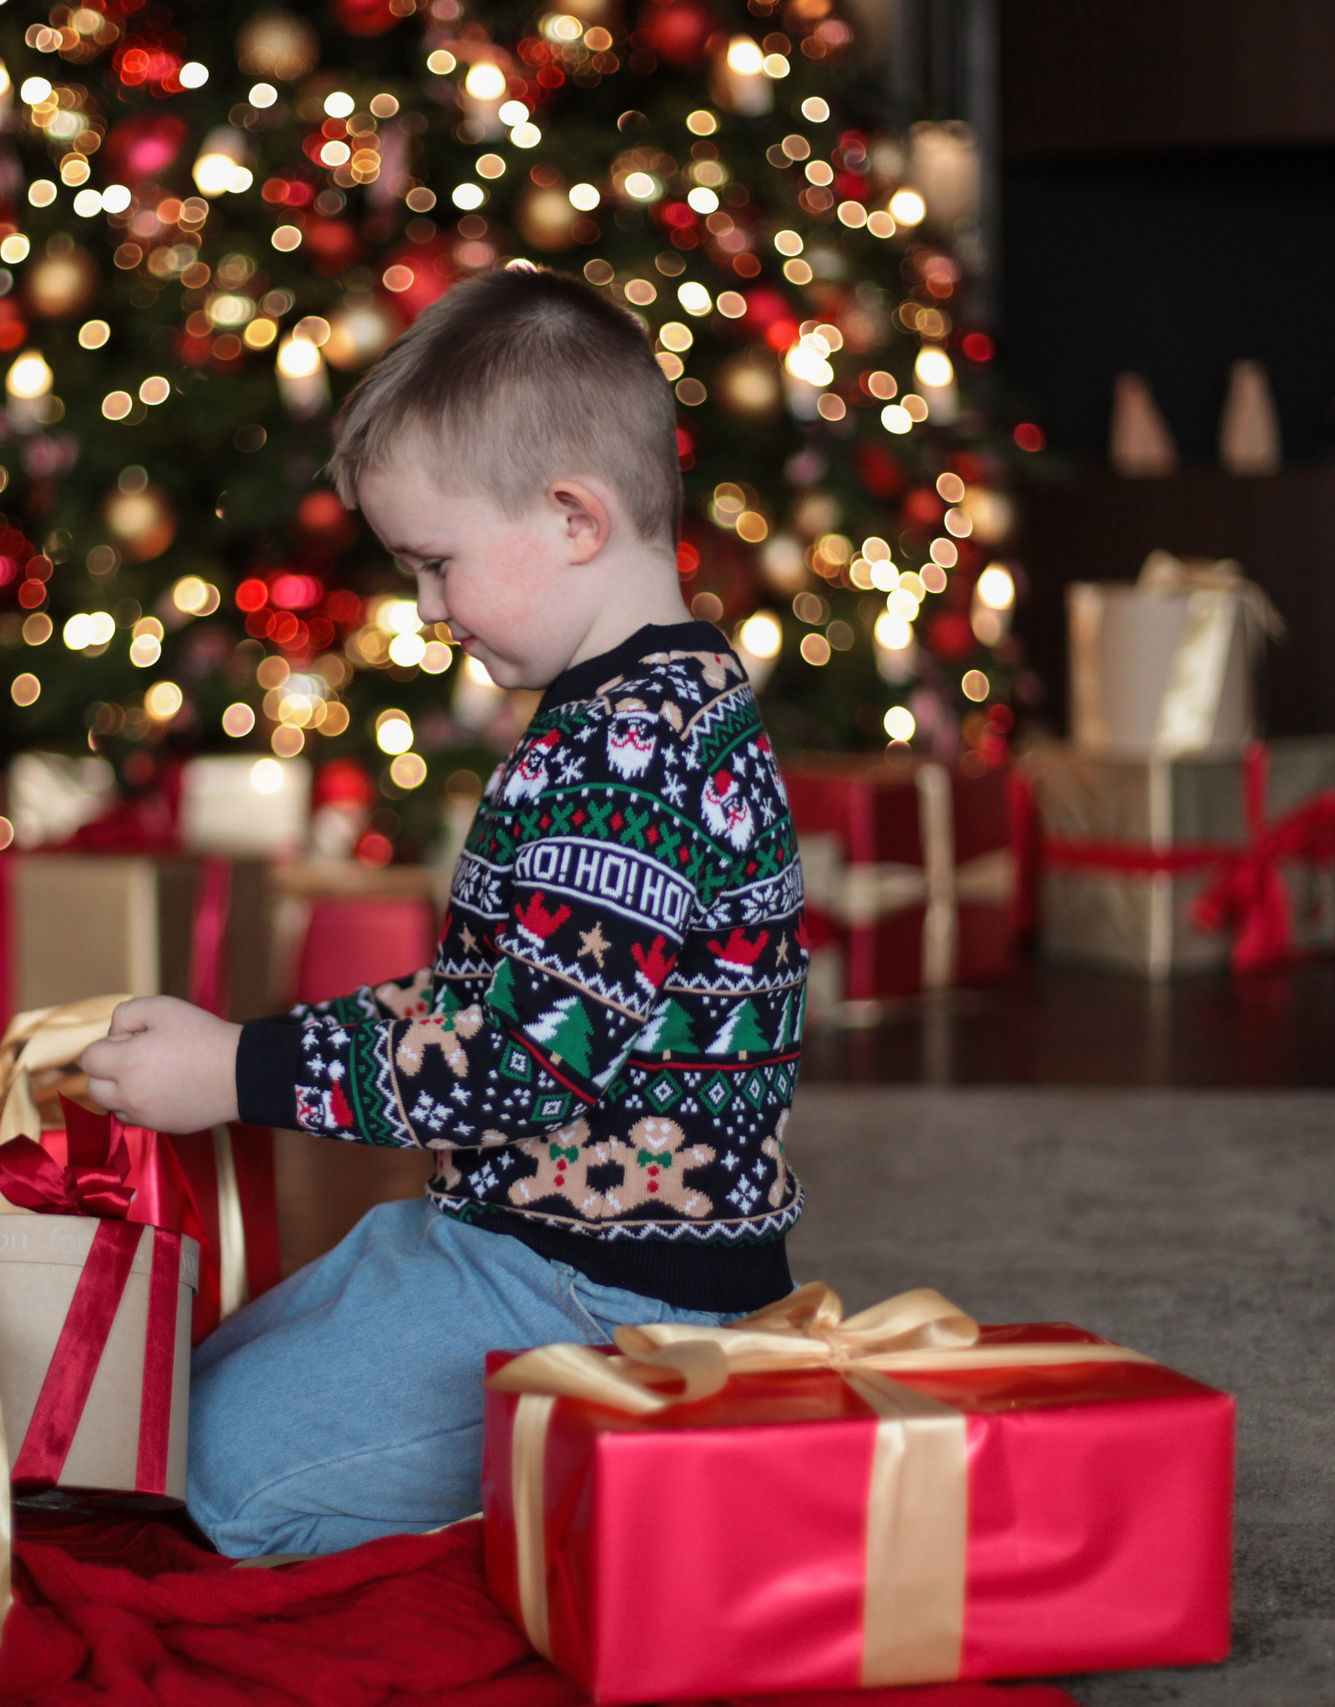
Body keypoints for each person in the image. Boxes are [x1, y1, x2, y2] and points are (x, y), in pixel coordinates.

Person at [80, 265, 807, 1557]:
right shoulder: (632, 712)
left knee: (220, 1479)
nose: (425, 611)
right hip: (506, 1229)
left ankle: (578, 1479)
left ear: (574, 517)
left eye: (438, 565)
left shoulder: (628, 755)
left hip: (608, 1301)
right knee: (162, 1412)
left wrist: (235, 1067)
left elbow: (511, 1053)